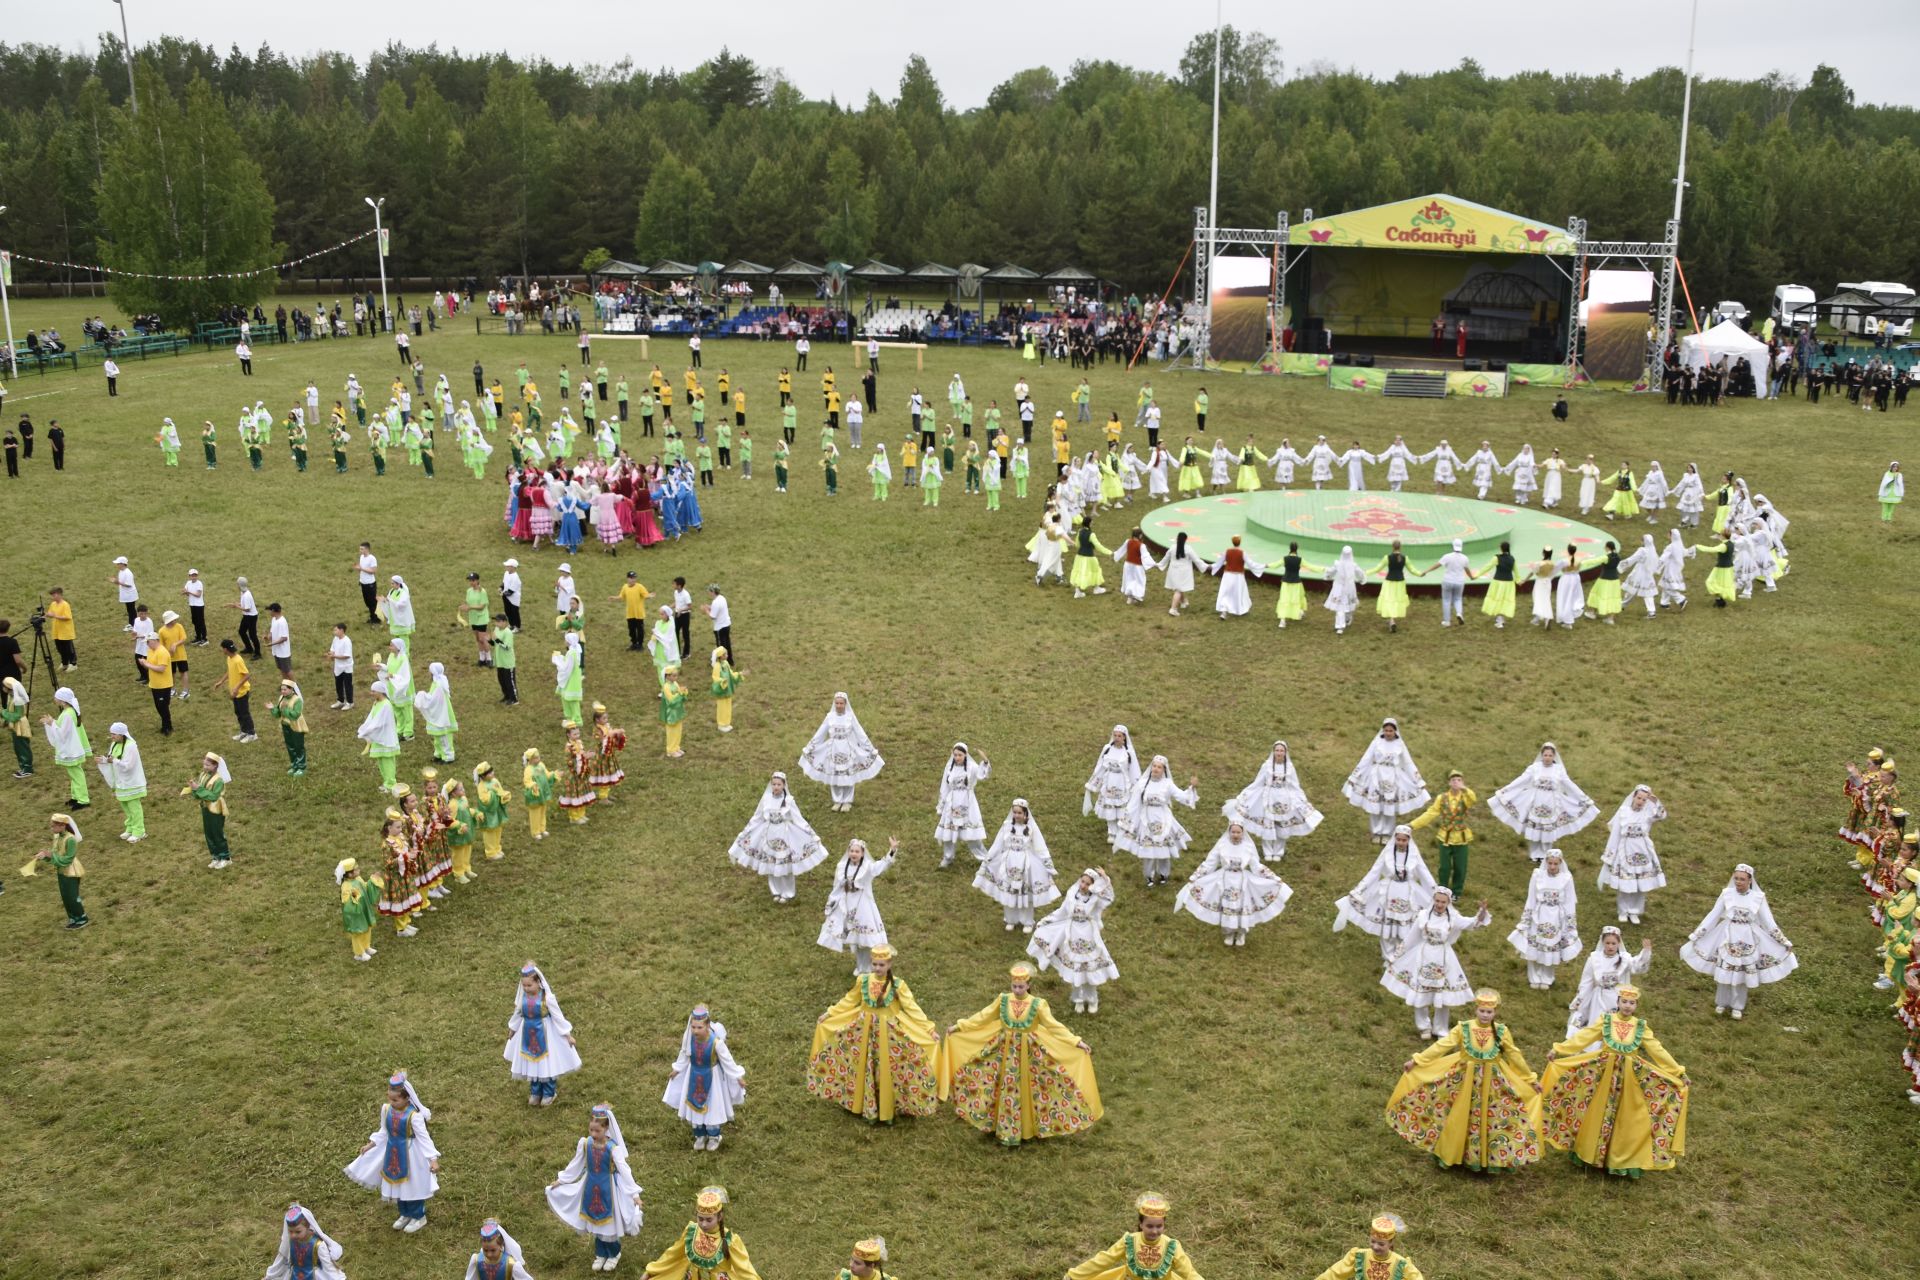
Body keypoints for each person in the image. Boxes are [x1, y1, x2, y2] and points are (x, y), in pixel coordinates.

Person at [937, 961, 1102, 1146]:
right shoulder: (1003, 1000)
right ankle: (1002, 1124)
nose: (1017, 990)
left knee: (1030, 1087)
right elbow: (983, 1016)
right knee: (1000, 1084)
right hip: (1004, 1051)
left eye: (1021, 986)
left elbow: (1054, 1026)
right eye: (1014, 986)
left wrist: (1075, 1041)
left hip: (1028, 1054)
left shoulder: (1038, 1004)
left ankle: (1027, 1126)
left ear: (1029, 985)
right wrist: (960, 1026)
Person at [1385, 988, 1543, 1172]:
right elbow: (1442, 1046)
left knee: (1492, 1116)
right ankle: (1453, 1152)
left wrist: (1530, 1079)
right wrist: (1417, 1060)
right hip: (1464, 1080)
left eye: (1489, 1012)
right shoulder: (1464, 1028)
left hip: (1492, 1083)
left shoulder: (1501, 1031)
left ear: (1495, 1012)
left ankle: (1490, 1158)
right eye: (1482, 1011)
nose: (1485, 1015)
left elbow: (1515, 1056)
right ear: (1476, 1010)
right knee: (1459, 1115)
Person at [1539, 984, 1689, 1176]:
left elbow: (1657, 1050)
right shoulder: (1606, 1021)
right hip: (1604, 1075)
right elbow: (1584, 1036)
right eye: (1624, 1002)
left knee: (1626, 1117)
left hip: (1629, 1079)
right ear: (1617, 1002)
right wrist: (1559, 1049)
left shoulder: (1640, 1027)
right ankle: (1589, 1152)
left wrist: (1677, 1072)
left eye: (1632, 1003)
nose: (1627, 1006)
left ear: (1636, 1005)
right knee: (1596, 1111)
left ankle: (1620, 1158)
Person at [807, 942, 942, 1123]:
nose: (877, 968)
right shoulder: (863, 981)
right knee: (864, 1064)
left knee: (888, 1067)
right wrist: (830, 1013)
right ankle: (864, 1103)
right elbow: (849, 1000)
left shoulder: (898, 985)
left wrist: (929, 1029)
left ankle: (887, 1107)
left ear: (889, 964)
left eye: (882, 965)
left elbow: (912, 1008)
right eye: (875, 964)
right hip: (864, 1030)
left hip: (889, 1033)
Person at [1680, 863, 1797, 1019]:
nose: (1738, 882)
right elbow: (1713, 915)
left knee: (1742, 973)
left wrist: (1784, 941)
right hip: (1727, 935)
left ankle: (1737, 1006)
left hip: (1748, 936)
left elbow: (1769, 922)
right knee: (1724, 969)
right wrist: (1697, 934)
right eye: (1736, 879)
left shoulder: (1758, 898)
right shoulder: (1727, 894)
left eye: (1742, 879)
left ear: (1750, 880)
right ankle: (1721, 1002)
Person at [546, 1103, 644, 1270]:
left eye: (597, 1131)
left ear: (606, 1128)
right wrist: (561, 1180)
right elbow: (575, 1164)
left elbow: (625, 1171)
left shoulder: (613, 1149)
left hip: (609, 1190)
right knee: (595, 1222)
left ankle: (614, 1253)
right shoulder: (585, 1143)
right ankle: (600, 1254)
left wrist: (634, 1194)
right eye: (591, 1129)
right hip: (590, 1188)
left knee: (609, 1224)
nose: (593, 1134)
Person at [1382, 887, 1493, 1036]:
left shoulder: (1453, 917)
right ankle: (1424, 1026)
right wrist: (1395, 956)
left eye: (1443, 902)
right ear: (1433, 900)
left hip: (1444, 957)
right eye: (1437, 901)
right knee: (1420, 992)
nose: (1440, 904)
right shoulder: (1423, 916)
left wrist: (1482, 912)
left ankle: (1440, 1028)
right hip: (1424, 955)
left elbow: (1471, 923)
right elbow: (1411, 937)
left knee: (1443, 996)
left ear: (1448, 902)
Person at [341, 1071, 440, 1232]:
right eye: (390, 1098)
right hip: (393, 1153)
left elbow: (424, 1138)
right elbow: (384, 1131)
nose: (392, 1102)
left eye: (396, 1099)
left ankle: (418, 1216)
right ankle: (404, 1213)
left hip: (411, 1155)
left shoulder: (414, 1117)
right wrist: (371, 1144)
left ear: (407, 1098)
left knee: (413, 1185)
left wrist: (432, 1159)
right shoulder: (386, 1110)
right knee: (398, 1185)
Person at [1175, 820, 1292, 946]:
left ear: (1243, 833)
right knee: (1227, 905)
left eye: (1238, 832)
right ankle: (1229, 933)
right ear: (1229, 832)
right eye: (1233, 832)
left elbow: (1256, 866)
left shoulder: (1248, 848)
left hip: (1242, 881)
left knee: (1242, 905)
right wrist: (1196, 876)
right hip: (1225, 880)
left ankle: (1241, 933)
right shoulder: (1222, 846)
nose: (1235, 834)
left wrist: (1273, 878)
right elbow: (1210, 863)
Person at [1490, 742, 1599, 861]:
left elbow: (1569, 784)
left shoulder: (1558, 770)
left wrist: (1582, 797)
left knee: (1548, 829)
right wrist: (1506, 790)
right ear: (1542, 755)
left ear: (1554, 757)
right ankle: (1534, 855)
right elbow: (1521, 780)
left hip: (1551, 802)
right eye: (1545, 755)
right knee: (1535, 827)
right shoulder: (1534, 768)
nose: (1547, 758)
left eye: (1550, 755)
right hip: (1536, 801)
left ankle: (1545, 855)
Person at [729, 771, 827, 903]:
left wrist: (812, 835)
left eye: (779, 784)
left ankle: (787, 892)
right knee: (770, 863)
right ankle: (776, 891)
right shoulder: (766, 799)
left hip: (784, 835)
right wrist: (745, 832)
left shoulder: (789, 801)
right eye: (774, 784)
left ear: (784, 785)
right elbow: (757, 817)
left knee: (785, 865)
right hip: (768, 834)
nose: (776, 787)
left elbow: (799, 819)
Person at [662, 1004, 747, 1152]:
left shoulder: (716, 1043)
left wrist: (737, 1076)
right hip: (694, 1077)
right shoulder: (690, 1041)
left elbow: (728, 1061)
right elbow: (685, 1055)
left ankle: (714, 1136)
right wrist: (677, 1069)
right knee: (695, 1105)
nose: (695, 1031)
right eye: (693, 1027)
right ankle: (700, 1135)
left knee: (712, 1106)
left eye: (699, 1027)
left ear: (707, 1025)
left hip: (712, 1078)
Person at [1063, 1193, 1204, 1280]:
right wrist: (1075, 1275)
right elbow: (1104, 1260)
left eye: (1159, 1226)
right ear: (1141, 1224)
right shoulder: (1129, 1241)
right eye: (1150, 1226)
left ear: (1164, 1225)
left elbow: (1188, 1271)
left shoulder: (1171, 1245)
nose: (1154, 1231)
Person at [1223, 740, 1322, 862]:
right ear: (1273, 752)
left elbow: (1295, 785)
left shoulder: (1290, 767)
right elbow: (1258, 782)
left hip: (1285, 799)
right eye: (1277, 750)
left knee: (1283, 824)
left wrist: (1301, 798)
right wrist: (1246, 794)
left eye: (1281, 750)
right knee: (1268, 824)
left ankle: (1279, 851)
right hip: (1268, 798)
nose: (1279, 753)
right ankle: (1267, 851)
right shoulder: (1266, 766)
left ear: (1285, 752)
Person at [636, 1185, 760, 1280]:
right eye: (700, 1219)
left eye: (709, 1220)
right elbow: (673, 1253)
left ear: (720, 1217)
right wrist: (651, 1271)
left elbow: (745, 1269)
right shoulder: (691, 1231)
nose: (704, 1224)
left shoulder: (730, 1240)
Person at [818, 836, 900, 974]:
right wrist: (832, 903)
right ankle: (860, 966)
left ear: (862, 853)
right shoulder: (841, 866)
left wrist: (892, 850)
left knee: (866, 938)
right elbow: (837, 886)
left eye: (857, 851)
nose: (854, 854)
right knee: (855, 939)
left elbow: (880, 866)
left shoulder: (867, 867)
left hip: (863, 906)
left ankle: (869, 966)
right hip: (848, 905)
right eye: (852, 851)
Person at [1114, 755, 1199, 887]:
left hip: (1163, 819)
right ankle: (1149, 876)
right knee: (1148, 850)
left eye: (1159, 767)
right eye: (1154, 766)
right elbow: (1134, 803)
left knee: (1164, 849)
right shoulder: (1142, 784)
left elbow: (1181, 796)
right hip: (1146, 819)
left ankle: (1164, 873)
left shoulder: (1167, 784)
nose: (1156, 769)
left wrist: (1191, 788)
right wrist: (1127, 820)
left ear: (1164, 769)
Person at [506, 961, 582, 1105]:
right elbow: (518, 1014)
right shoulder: (523, 999)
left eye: (530, 985)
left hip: (546, 1035)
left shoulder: (547, 998)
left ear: (539, 982)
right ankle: (535, 1091)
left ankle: (549, 1092)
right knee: (532, 1063)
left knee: (546, 1063)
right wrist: (512, 1029)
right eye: (524, 986)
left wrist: (568, 1035)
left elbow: (558, 1016)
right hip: (527, 1035)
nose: (527, 988)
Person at [1343, 717, 1430, 842]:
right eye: (1386, 730)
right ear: (1383, 731)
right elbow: (1366, 758)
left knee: (1390, 806)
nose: (1388, 733)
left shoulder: (1399, 744)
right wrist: (1355, 776)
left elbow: (1408, 763)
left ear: (1395, 731)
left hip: (1393, 777)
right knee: (1375, 805)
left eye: (1390, 731)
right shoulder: (1377, 742)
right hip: (1376, 776)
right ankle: (1376, 833)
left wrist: (1418, 781)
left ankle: (1387, 833)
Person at [1508, 848, 1582, 989]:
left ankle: (1547, 977)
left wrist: (1570, 924)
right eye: (1550, 863)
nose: (1553, 867)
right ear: (1546, 862)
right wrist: (1526, 920)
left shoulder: (1566, 878)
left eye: (1555, 864)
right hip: (1539, 914)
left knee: (1551, 945)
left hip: (1556, 917)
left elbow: (1570, 902)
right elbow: (1531, 898)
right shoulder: (1537, 875)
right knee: (1535, 945)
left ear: (1560, 863)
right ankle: (1534, 977)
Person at [799, 692, 884, 812]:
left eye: (841, 703)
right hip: (832, 749)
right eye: (837, 703)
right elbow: (821, 733)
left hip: (847, 748)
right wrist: (810, 747)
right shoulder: (830, 717)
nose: (839, 705)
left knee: (848, 774)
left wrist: (870, 748)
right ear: (834, 704)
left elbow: (860, 733)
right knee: (834, 774)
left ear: (845, 704)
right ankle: (837, 800)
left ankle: (847, 801)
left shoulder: (850, 717)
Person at [1565, 926, 1653, 1036]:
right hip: (1598, 997)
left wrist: (1646, 952)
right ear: (1602, 943)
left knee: (1613, 1022)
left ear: (1618, 944)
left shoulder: (1624, 959)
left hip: (1616, 997)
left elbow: (1637, 966)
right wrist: (1581, 998)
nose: (1610, 946)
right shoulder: (1594, 958)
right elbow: (1586, 981)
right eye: (1607, 943)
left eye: (1613, 943)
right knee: (1597, 1022)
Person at [1598, 786, 1667, 924]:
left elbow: (1661, 815)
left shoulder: (1648, 813)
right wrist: (1610, 854)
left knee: (1641, 883)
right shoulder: (1623, 812)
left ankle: (1635, 911)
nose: (1641, 801)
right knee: (1625, 883)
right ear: (1634, 797)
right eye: (1639, 798)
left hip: (1642, 851)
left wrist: (1656, 801)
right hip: (1625, 850)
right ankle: (1623, 910)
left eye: (1644, 799)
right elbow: (1615, 833)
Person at [1409, 770, 1477, 896]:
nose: (1456, 782)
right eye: (1453, 780)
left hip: (1461, 838)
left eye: (1459, 780)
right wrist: (1412, 825)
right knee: (1444, 867)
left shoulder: (1465, 797)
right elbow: (1430, 813)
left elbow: (1473, 799)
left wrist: (1464, 788)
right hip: (1444, 837)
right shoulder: (1442, 798)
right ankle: (1442, 890)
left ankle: (1456, 891)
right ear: (1449, 783)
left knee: (1460, 867)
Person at [1310, 1215, 1424, 1280]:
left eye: (1381, 1244)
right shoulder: (1359, 1256)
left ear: (1391, 1243)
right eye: (1373, 1241)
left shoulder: (1401, 1264)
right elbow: (1335, 1273)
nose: (1375, 1246)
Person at [934, 742, 992, 867]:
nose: (957, 758)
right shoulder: (949, 767)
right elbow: (944, 787)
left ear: (965, 755)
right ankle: (948, 857)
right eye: (955, 755)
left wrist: (985, 761)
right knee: (948, 832)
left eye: (960, 755)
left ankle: (984, 857)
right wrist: (941, 804)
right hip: (952, 802)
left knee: (971, 833)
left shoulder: (971, 766)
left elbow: (982, 775)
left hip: (967, 802)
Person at [1082, 725, 1141, 845]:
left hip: (1122, 783)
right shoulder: (1107, 749)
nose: (1117, 738)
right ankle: (1111, 831)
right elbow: (1100, 766)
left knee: (1121, 807)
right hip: (1109, 782)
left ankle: (1121, 830)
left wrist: (1137, 785)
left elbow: (1134, 769)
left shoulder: (1128, 752)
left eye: (1119, 736)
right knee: (1109, 805)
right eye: (1115, 735)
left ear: (1124, 737)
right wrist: (1093, 782)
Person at [263, 1203, 346, 1280]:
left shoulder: (318, 1245)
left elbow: (328, 1267)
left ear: (307, 1226)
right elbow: (281, 1260)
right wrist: (269, 1276)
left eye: (298, 1232)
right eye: (290, 1232)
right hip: (294, 1275)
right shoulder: (291, 1242)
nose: (293, 1235)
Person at [94, 723, 147, 842]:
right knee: (125, 807)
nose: (111, 736)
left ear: (122, 734)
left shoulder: (131, 746)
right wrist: (103, 760)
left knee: (134, 807)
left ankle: (139, 831)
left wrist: (115, 761)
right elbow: (111, 760)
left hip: (132, 782)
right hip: (120, 783)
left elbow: (128, 765)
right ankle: (130, 828)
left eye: (114, 734)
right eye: (111, 734)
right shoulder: (114, 744)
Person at [41, 686, 91, 808]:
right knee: (73, 774)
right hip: (71, 748)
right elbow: (63, 727)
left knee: (76, 774)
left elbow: (63, 733)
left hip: (71, 750)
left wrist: (51, 723)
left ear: (63, 700)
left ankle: (83, 800)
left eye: (56, 697)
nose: (54, 699)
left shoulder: (68, 714)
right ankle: (76, 797)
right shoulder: (69, 712)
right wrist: (52, 722)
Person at [183, 751, 233, 868]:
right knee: (209, 833)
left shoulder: (219, 780)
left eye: (208, 765)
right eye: (204, 764)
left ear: (215, 766)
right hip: (205, 808)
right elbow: (200, 791)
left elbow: (213, 796)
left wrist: (198, 790)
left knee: (217, 833)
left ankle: (225, 857)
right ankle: (215, 856)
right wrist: (194, 789)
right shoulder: (203, 775)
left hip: (216, 809)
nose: (205, 767)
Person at [355, 681, 402, 793]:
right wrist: (364, 729)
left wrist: (368, 730)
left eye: (373, 691)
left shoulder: (386, 704)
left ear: (380, 691)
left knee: (387, 762)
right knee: (381, 761)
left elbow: (380, 721)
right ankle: (386, 782)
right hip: (378, 737)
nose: (371, 693)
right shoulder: (376, 703)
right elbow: (371, 718)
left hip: (386, 738)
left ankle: (391, 784)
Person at [1206, 535, 1263, 618]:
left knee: (1226, 592)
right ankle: (1240, 609)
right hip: (1238, 577)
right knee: (1239, 593)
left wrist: (1211, 566)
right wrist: (1262, 566)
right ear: (1240, 542)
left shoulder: (1227, 551)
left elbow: (1219, 562)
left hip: (1227, 575)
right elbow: (1251, 564)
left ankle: (1224, 611)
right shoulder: (1242, 553)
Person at [465, 1218, 536, 1280]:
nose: (489, 1254)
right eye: (485, 1250)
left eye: (493, 1250)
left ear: (501, 1245)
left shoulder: (511, 1264)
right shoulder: (477, 1261)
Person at [269, 678, 308, 775]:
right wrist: (272, 709)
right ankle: (294, 765)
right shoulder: (281, 698)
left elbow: (295, 715)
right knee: (290, 746)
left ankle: (301, 767)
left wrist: (285, 710)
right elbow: (277, 714)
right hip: (285, 726)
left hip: (296, 727)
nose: (283, 692)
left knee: (298, 746)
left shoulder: (297, 700)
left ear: (291, 689)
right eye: (282, 689)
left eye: (285, 689)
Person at [522, 747, 554, 841]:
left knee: (543, 811)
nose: (538, 759)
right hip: (535, 795)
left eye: (538, 757)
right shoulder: (528, 769)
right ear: (530, 760)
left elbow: (546, 774)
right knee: (535, 814)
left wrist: (554, 775)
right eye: (535, 758)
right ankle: (535, 832)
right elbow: (527, 781)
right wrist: (533, 785)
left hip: (543, 792)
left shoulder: (541, 765)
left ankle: (542, 828)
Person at [3, 675, 32, 778]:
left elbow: (16, 716)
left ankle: (27, 768)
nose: (3, 688)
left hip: (20, 726)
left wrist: (3, 713)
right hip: (16, 726)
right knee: (18, 747)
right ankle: (23, 767)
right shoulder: (11, 697)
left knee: (22, 747)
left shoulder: (17, 700)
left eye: (4, 686)